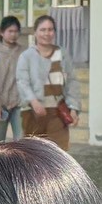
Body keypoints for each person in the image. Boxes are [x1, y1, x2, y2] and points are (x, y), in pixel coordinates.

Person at [14, 15, 81, 150]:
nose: (46, 33)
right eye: (42, 30)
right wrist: (33, 101)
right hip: (33, 113)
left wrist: (74, 107)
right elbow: (22, 82)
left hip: (58, 112)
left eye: (50, 30)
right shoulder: (27, 56)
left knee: (59, 153)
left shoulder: (62, 54)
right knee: (34, 153)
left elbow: (72, 81)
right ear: (35, 32)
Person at [0, 15, 24, 144]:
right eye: (10, 31)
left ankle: (19, 165)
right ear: (2, 32)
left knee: (23, 142)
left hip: (19, 104)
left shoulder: (22, 52)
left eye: (16, 31)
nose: (13, 34)